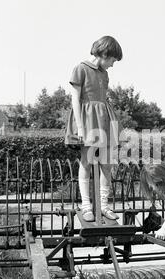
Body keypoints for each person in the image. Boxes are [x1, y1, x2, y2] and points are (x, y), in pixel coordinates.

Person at [65, 36, 123, 222]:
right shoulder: (80, 69)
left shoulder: (104, 73)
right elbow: (75, 99)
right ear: (105, 54)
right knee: (87, 161)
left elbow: (103, 100)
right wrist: (80, 127)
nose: (113, 65)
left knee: (107, 163)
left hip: (103, 118)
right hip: (87, 119)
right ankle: (86, 206)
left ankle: (104, 206)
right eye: (113, 60)